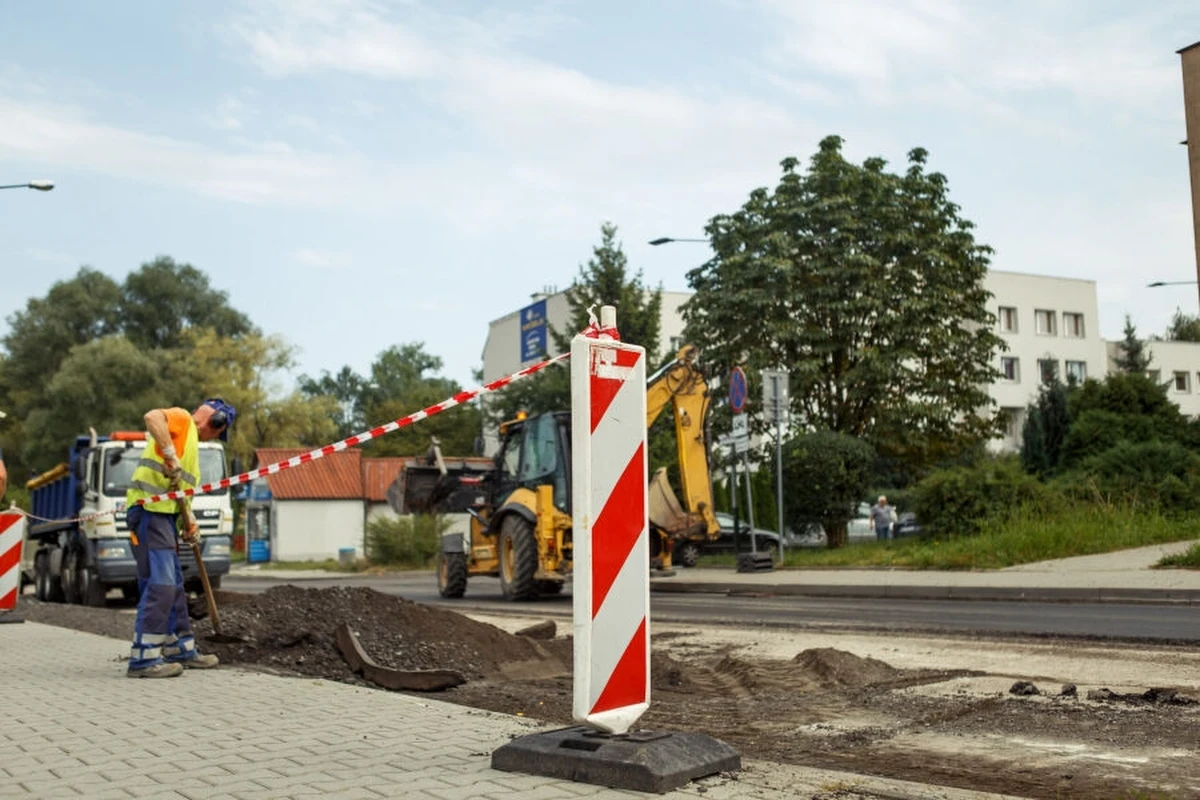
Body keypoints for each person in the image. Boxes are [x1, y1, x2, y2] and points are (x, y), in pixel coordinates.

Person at [125, 398, 237, 678]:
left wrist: (190, 522)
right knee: (161, 585)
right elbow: (152, 415)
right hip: (149, 512)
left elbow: (178, 496)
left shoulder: (191, 448)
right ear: (216, 422)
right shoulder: (183, 419)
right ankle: (143, 659)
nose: (215, 437)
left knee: (174, 587)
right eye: (218, 432)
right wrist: (169, 453)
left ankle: (180, 649)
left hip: (164, 518)